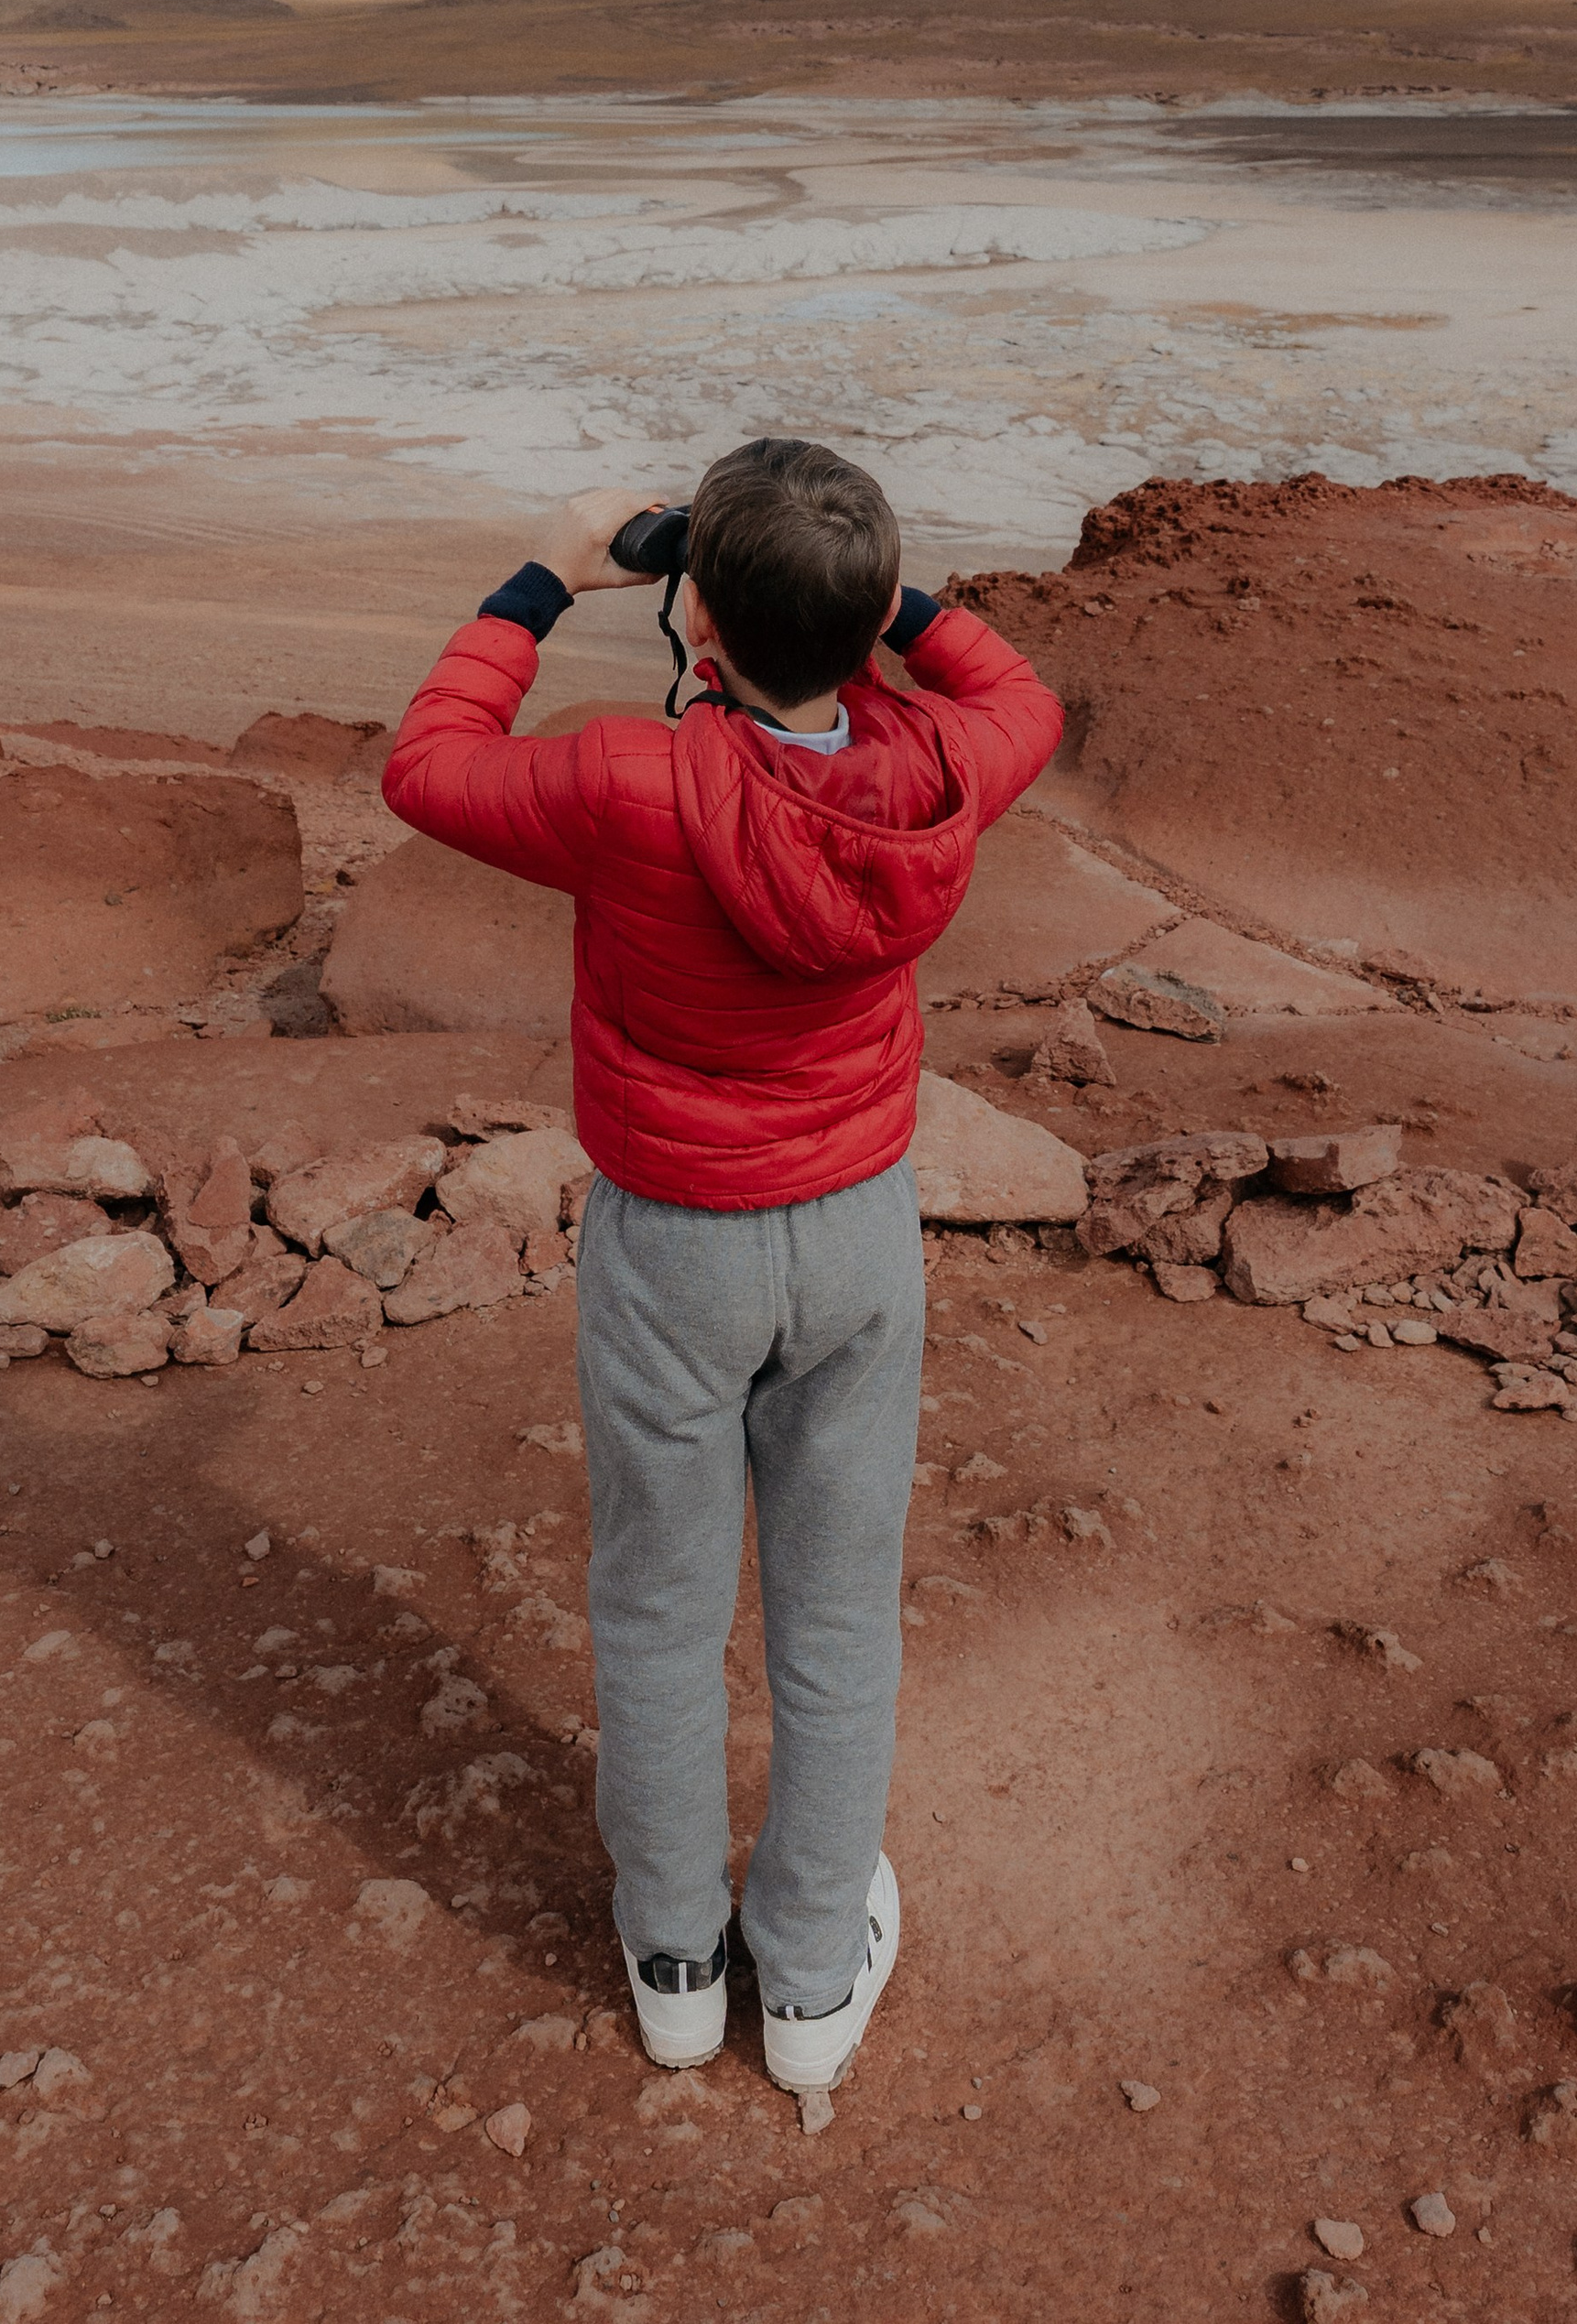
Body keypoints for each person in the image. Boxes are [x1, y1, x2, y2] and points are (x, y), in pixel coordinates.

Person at [380, 435, 1062, 2091]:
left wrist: (549, 571)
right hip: (855, 1237)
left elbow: (427, 762)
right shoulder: (938, 772)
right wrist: (874, 596)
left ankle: (680, 1954)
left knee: (663, 1604)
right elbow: (1019, 696)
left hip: (674, 1242)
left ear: (697, 616)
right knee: (838, 1620)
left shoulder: (628, 783)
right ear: (865, 618)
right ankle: (814, 1979)